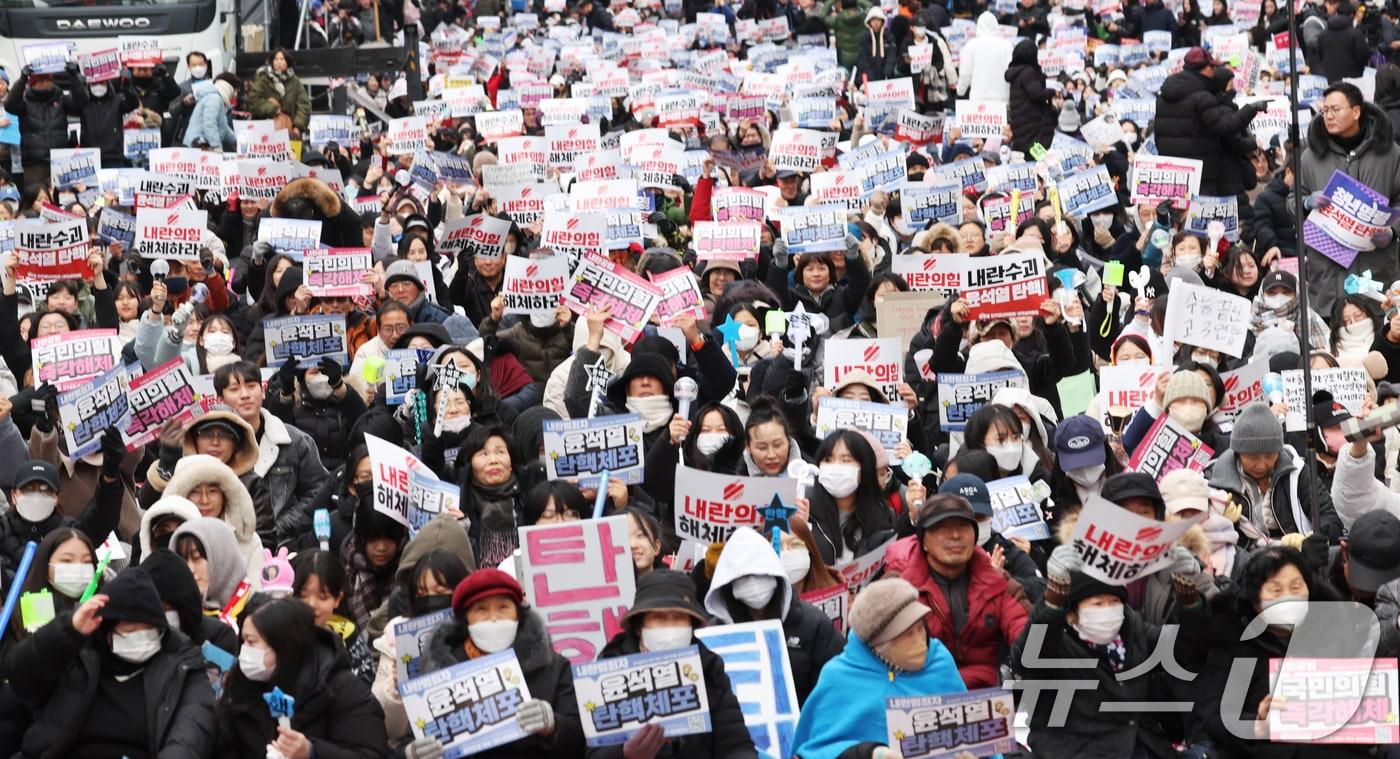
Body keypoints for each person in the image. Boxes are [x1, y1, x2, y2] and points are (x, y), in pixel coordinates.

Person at [1013, 542, 1211, 756]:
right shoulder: (1055, 643)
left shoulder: (1132, 631)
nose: (1107, 611)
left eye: (1114, 601)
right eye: (1097, 604)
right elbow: (1027, 659)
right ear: (1071, 613)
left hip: (1145, 747)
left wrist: (1189, 599)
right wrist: (1052, 601)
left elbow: (1185, 650)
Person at [6, 568, 215, 756]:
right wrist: (67, 631)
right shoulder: (79, 656)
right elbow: (22, 676)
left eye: (147, 630)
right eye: (129, 630)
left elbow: (189, 737)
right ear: (106, 631)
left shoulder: (185, 667)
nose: (139, 636)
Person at [404, 568, 585, 757]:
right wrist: (412, 754)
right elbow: (408, 741)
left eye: (503, 608)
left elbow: (580, 741)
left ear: (518, 614)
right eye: (481, 609)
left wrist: (553, 726)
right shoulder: (440, 674)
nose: (493, 618)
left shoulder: (553, 668)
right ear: (465, 619)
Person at [589, 569, 756, 758]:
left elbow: (735, 743)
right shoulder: (608, 673)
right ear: (638, 627)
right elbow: (594, 753)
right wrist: (624, 755)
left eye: (679, 617)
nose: (670, 626)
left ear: (691, 625)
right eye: (658, 617)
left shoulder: (708, 668)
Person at [793, 578, 968, 758]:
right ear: (878, 644)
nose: (920, 641)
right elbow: (817, 749)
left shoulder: (939, 661)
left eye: (920, 628)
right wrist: (871, 753)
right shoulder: (839, 677)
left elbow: (974, 732)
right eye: (907, 634)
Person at [884, 493, 1030, 689]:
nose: (954, 535)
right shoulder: (897, 586)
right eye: (942, 528)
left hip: (987, 694)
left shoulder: (997, 582)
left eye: (962, 526)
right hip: (919, 693)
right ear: (923, 541)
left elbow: (1025, 628)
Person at [214, 595, 389, 758]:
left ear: (284, 646)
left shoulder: (341, 689)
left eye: (251, 642)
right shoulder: (240, 686)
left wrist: (311, 752)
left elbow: (371, 753)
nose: (245, 651)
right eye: (243, 641)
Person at [703, 527, 844, 704]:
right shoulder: (715, 634)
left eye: (760, 573)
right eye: (744, 577)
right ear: (729, 584)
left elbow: (836, 687)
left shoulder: (814, 624)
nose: (753, 582)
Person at [1299, 82, 1400, 315]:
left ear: (1356, 112)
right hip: (1327, 281)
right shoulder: (1309, 156)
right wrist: (1305, 204)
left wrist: (1392, 230)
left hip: (1375, 276)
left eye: (1336, 109)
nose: (1328, 116)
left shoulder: (1390, 154)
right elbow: (1294, 198)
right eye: (1325, 111)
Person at [3, 62, 87, 188]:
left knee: (60, 199)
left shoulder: (61, 99)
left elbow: (82, 103)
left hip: (60, 160)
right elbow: (10, 105)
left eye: (47, 80)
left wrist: (74, 76)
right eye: (40, 81)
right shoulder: (25, 102)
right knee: (37, 200)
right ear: (32, 84)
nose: (44, 83)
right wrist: (22, 79)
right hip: (34, 163)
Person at [1005, 38, 1058, 153]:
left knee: (1028, 156)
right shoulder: (1028, 72)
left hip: (1021, 126)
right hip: (1032, 127)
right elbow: (1037, 94)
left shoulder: (1016, 72)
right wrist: (1052, 92)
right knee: (1039, 159)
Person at [247, 49, 311, 134]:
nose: (279, 62)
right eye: (276, 59)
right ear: (272, 62)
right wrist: (272, 109)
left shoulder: (295, 81)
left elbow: (304, 105)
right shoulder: (263, 78)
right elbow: (253, 100)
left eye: (282, 59)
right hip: (265, 131)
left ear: (287, 62)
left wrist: (298, 126)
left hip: (289, 129)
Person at [957, 11, 1014, 101]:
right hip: (1002, 97)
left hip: (978, 97)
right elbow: (1011, 71)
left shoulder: (971, 45)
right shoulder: (1007, 45)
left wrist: (960, 91)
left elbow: (965, 72)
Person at [183, 75, 239, 151]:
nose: (235, 94)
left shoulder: (217, 99)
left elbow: (223, 126)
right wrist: (216, 145)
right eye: (236, 90)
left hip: (202, 145)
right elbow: (209, 123)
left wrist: (235, 142)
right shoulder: (214, 98)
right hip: (198, 145)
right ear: (230, 87)